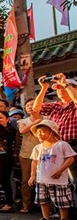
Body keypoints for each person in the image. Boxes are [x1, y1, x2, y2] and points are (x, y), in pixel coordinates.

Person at [32, 74, 77, 203]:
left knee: (75, 180)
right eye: (58, 89)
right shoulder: (55, 105)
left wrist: (65, 84)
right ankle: (62, 210)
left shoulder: (74, 105)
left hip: (73, 145)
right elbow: (36, 109)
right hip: (56, 147)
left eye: (62, 88)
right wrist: (44, 88)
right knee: (56, 181)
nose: (60, 90)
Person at [28, 120, 75, 220]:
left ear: (53, 132)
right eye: (38, 132)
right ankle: (46, 218)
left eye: (43, 131)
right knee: (43, 199)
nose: (40, 134)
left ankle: (64, 219)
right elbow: (34, 162)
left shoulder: (62, 145)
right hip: (42, 179)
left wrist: (60, 170)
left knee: (61, 200)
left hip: (58, 180)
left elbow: (70, 158)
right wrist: (33, 175)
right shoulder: (38, 148)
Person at [18, 99, 46, 213]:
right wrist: (36, 122)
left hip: (45, 153)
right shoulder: (23, 121)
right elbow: (23, 131)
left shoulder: (47, 118)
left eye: (32, 104)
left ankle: (46, 205)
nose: (29, 107)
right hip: (26, 154)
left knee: (45, 180)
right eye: (27, 105)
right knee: (26, 180)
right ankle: (27, 204)